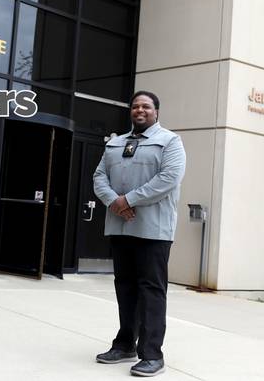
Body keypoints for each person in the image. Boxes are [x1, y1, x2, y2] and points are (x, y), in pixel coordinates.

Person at [93, 91, 187, 377]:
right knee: (125, 287)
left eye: (146, 106)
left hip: (153, 231)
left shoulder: (170, 141)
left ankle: (152, 355)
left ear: (156, 111)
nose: (140, 110)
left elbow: (169, 178)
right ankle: (124, 345)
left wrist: (128, 200)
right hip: (121, 227)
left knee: (151, 291)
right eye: (135, 106)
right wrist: (114, 202)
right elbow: (99, 177)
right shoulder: (115, 143)